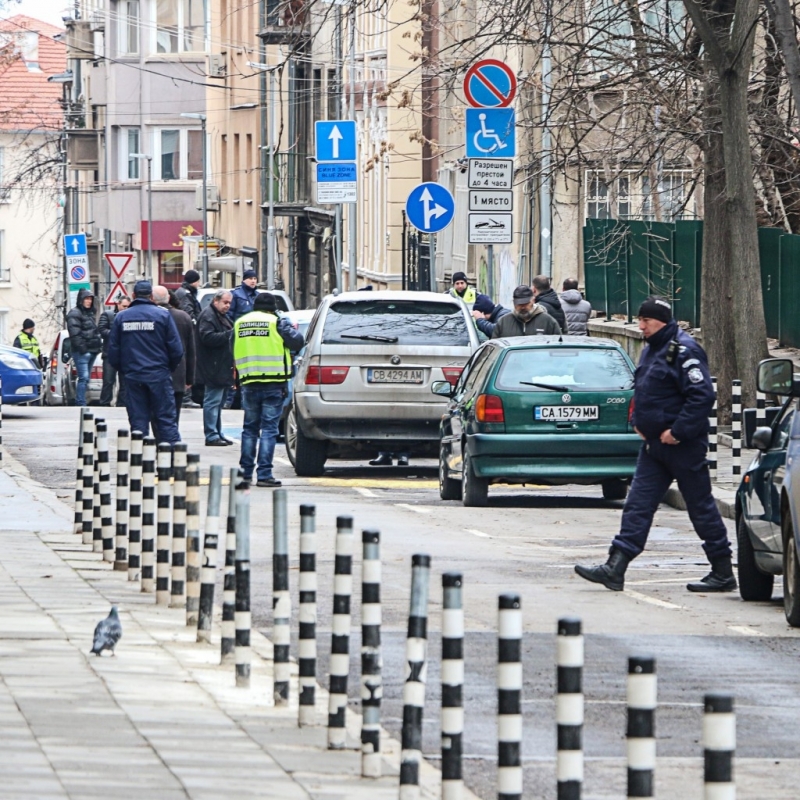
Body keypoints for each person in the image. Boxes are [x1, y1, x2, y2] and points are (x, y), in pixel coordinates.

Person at [574, 296, 737, 594]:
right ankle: (616, 567)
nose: (641, 326)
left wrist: (678, 431)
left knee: (700, 508)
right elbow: (644, 389)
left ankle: (723, 570)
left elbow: (702, 396)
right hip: (653, 446)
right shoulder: (652, 350)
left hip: (682, 447)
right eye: (640, 320)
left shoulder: (684, 351)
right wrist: (638, 419)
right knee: (638, 504)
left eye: (645, 321)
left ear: (660, 321)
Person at [233, 292, 304, 487]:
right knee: (269, 430)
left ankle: (245, 474)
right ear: (272, 307)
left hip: (248, 381)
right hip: (273, 382)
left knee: (249, 429)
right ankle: (264, 474)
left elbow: (233, 347)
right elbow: (298, 341)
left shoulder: (240, 322)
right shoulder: (276, 322)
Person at [106, 281, 184, 445]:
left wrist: (126, 370)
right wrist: (166, 368)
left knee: (138, 423)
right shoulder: (162, 315)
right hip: (159, 375)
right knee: (166, 421)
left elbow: (113, 351)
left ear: (133, 296)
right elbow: (176, 349)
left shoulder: (121, 317)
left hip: (133, 377)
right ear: (151, 297)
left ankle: (140, 465)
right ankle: (169, 464)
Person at [197, 289, 234, 446]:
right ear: (216, 301)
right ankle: (212, 434)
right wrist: (229, 335)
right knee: (213, 401)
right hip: (213, 366)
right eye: (225, 302)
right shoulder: (208, 316)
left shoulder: (220, 316)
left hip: (221, 365)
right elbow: (207, 337)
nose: (228, 306)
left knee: (218, 402)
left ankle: (217, 432)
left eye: (229, 303)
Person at [153, 286, 195, 426]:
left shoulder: (151, 316)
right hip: (178, 374)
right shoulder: (184, 317)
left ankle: (159, 442)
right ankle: (171, 441)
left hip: (155, 373)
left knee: (157, 414)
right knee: (174, 416)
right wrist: (189, 378)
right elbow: (190, 351)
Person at [66, 288, 103, 407]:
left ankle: (82, 401)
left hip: (92, 350)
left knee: (85, 379)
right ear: (81, 300)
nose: (89, 301)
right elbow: (75, 334)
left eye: (90, 299)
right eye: (86, 299)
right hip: (82, 351)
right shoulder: (74, 313)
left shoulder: (90, 313)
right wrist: (83, 349)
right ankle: (80, 402)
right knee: (84, 378)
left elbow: (93, 331)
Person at [97, 295, 131, 406]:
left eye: (128, 307)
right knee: (108, 380)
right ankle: (105, 402)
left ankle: (122, 403)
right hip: (110, 353)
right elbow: (101, 330)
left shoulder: (131, 316)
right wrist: (115, 334)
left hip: (125, 354)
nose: (126, 309)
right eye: (124, 306)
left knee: (125, 382)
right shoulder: (108, 315)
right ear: (118, 304)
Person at [491, 285, 562, 338]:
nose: (523, 307)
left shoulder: (548, 322)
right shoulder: (503, 323)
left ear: (533, 300)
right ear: (513, 303)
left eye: (526, 303)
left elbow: (558, 348)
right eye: (519, 304)